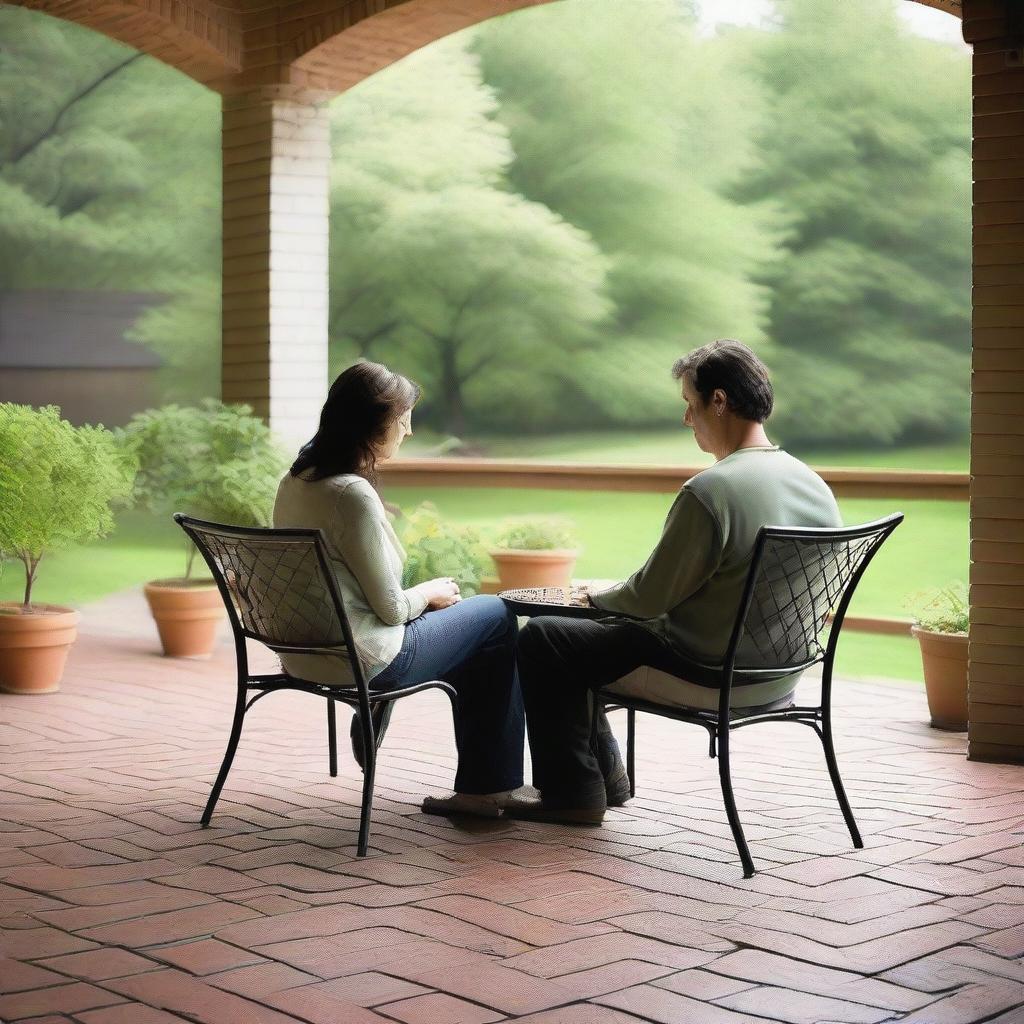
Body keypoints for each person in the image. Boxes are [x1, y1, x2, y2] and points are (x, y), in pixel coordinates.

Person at [505, 340, 842, 826]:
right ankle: (607, 781)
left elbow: (647, 600)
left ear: (719, 402)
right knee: (575, 638)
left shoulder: (712, 491)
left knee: (544, 636)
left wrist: (592, 595)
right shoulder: (813, 484)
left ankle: (573, 793)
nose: (688, 419)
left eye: (690, 404)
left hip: (707, 671)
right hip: (782, 674)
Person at [273, 361, 524, 817]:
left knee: (475, 641)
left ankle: (478, 785)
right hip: (363, 657)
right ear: (374, 425)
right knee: (496, 614)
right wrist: (429, 593)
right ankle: (485, 789)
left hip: (303, 653)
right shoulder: (352, 495)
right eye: (403, 418)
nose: (408, 430)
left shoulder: (294, 482)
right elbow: (390, 609)